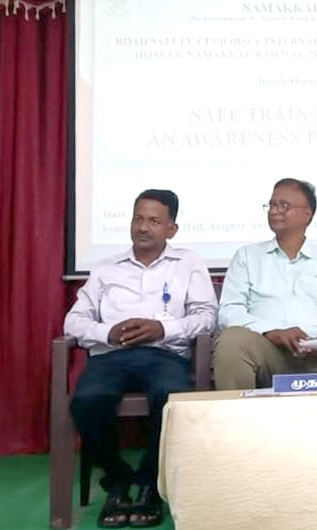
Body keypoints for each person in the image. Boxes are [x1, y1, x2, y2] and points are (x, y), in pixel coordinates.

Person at [65, 189, 217, 527]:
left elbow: (207, 317)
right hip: (111, 356)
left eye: (154, 221)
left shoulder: (188, 264)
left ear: (171, 229)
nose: (143, 227)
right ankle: (117, 481)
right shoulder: (106, 268)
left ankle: (150, 484)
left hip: (164, 355)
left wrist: (161, 329)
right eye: (138, 219)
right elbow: (73, 321)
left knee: (172, 400)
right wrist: (107, 332)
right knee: (88, 401)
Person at [213, 178, 317, 389]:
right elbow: (230, 311)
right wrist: (271, 332)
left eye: (284, 205)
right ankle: (236, 410)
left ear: (307, 214)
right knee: (232, 341)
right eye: (272, 205)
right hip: (265, 348)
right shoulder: (247, 256)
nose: (275, 211)